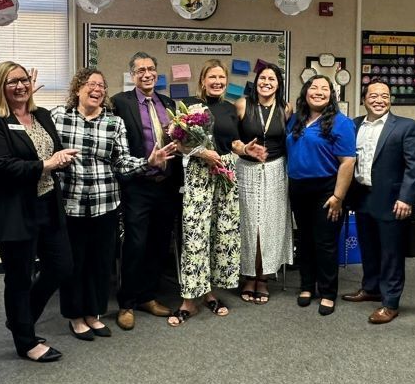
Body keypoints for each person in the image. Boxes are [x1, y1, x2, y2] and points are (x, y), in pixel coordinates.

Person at [51, 68, 174, 340]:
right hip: (71, 203)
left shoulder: (113, 122)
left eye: (101, 86)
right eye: (91, 84)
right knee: (75, 263)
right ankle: (75, 317)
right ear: (78, 88)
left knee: (100, 263)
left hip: (105, 202)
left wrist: (147, 162)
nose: (97, 89)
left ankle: (93, 314)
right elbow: (45, 150)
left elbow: (121, 161)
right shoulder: (59, 116)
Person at [0, 62, 78, 362]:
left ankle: (20, 319)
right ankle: (26, 342)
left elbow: (54, 150)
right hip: (15, 211)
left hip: (47, 204)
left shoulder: (41, 115)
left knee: (61, 267)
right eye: (12, 82)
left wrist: (62, 159)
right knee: (19, 277)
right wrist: (46, 165)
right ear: (0, 87)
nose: (20, 86)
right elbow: (0, 167)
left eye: (23, 80)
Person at [168, 59, 259, 326]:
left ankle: (209, 294)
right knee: (195, 235)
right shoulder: (190, 106)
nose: (217, 82)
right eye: (213, 77)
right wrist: (201, 152)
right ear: (203, 80)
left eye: (221, 78)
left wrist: (245, 149)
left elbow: (233, 142)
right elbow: (177, 143)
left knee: (221, 234)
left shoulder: (230, 108)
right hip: (199, 173)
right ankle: (188, 300)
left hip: (225, 173)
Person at [110, 52, 182, 330]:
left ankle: (148, 297)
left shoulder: (168, 103)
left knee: (159, 244)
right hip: (138, 185)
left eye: (151, 69)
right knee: (136, 244)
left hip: (166, 185)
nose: (147, 74)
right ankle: (127, 303)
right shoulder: (120, 102)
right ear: (132, 75)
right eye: (140, 70)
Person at [342, 80, 415, 324]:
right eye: (374, 95)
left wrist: (406, 198)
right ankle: (371, 288)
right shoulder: (354, 125)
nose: (379, 100)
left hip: (393, 201)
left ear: (390, 100)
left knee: (391, 254)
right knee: (368, 247)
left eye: (385, 96)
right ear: (364, 99)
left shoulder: (406, 127)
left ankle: (390, 303)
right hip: (363, 197)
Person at [286, 75, 356, 316]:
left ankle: (327, 292)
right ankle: (307, 286)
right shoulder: (296, 119)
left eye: (324, 88)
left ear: (331, 95)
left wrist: (338, 197)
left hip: (327, 190)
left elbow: (348, 162)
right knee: (305, 239)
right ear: (305, 92)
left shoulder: (341, 123)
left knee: (325, 242)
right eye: (313, 87)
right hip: (298, 188)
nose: (318, 91)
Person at [234, 64, 293, 304]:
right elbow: (232, 139)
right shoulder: (242, 104)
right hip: (246, 170)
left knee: (270, 224)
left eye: (272, 79)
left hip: (275, 170)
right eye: (262, 78)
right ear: (256, 81)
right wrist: (243, 149)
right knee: (249, 224)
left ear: (278, 84)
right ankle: (249, 276)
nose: (266, 82)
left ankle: (264, 277)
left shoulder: (285, 108)